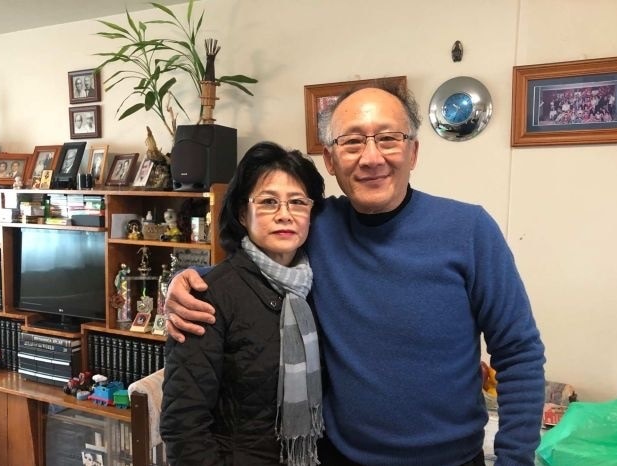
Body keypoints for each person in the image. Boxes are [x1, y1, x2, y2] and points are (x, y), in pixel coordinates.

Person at [164, 84, 546, 466]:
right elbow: (259, 260)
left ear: (413, 151)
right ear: (330, 160)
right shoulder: (317, 226)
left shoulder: (469, 230)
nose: (371, 157)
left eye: (388, 138)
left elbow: (518, 353)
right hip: (340, 457)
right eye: (352, 142)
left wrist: (514, 459)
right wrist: (192, 280)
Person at [159, 141, 325, 466]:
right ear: (242, 214)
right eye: (267, 202)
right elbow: (183, 424)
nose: (285, 215)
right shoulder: (209, 295)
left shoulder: (318, 285)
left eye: (297, 203)